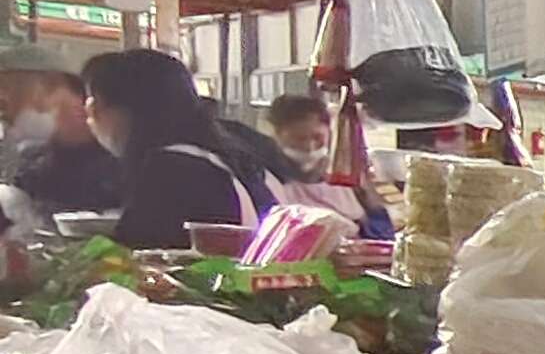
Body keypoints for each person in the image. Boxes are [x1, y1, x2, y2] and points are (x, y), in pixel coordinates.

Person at [80, 49, 284, 251]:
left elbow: (129, 261)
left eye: (95, 105)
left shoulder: (173, 171)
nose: (91, 118)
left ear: (127, 110)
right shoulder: (231, 154)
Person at [0, 44, 120, 222]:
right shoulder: (32, 166)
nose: (4, 113)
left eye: (6, 97)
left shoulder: (122, 154)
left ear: (52, 84)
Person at [261, 89, 387, 237]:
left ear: (329, 132)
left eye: (317, 137)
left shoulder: (350, 175)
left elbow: (383, 228)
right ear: (277, 136)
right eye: (298, 139)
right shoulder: (265, 181)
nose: (309, 146)